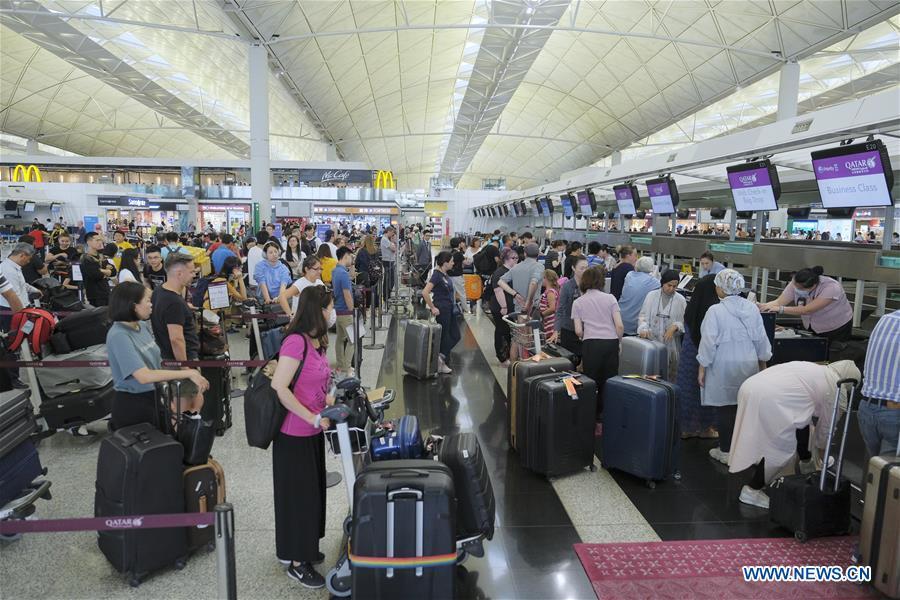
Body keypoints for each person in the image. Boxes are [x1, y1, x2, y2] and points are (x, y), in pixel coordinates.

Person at [270, 285, 335, 588]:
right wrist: (310, 415)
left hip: (313, 430)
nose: (331, 313)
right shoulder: (295, 342)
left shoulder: (316, 341)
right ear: (317, 311)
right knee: (298, 499)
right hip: (294, 433)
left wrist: (330, 400)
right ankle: (297, 563)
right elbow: (280, 387)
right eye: (329, 308)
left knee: (311, 495)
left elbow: (319, 379)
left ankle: (300, 549)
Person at [728, 360, 860, 509]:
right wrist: (821, 459)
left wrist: (811, 459)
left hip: (750, 387)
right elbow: (826, 430)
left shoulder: (817, 370)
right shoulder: (837, 388)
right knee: (779, 449)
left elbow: (802, 418)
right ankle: (751, 491)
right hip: (770, 397)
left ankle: (806, 462)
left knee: (801, 420)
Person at [106, 281, 208, 431]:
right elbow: (143, 376)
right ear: (133, 305)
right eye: (147, 300)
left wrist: (167, 398)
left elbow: (157, 363)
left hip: (155, 397)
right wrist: (189, 372)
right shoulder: (119, 335)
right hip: (134, 406)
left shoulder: (142, 326)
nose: (151, 304)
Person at [697, 269, 772, 465]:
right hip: (748, 363)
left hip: (723, 365)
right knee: (746, 407)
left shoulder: (715, 311)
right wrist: (763, 361)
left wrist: (702, 366)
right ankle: (748, 451)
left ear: (721, 288)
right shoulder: (751, 308)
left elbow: (708, 342)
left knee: (725, 408)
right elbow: (761, 339)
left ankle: (726, 451)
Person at [571, 265, 624, 424]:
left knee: (591, 381)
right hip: (610, 343)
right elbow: (620, 326)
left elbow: (578, 331)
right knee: (609, 381)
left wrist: (586, 335)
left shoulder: (578, 302)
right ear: (601, 282)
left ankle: (591, 417)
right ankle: (607, 416)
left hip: (591, 344)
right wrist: (618, 341)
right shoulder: (610, 298)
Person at [758, 266, 853, 343]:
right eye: (794, 285)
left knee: (834, 356)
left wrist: (781, 309)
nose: (795, 289)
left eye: (800, 288)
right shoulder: (797, 282)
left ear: (813, 286)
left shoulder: (831, 287)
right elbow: (779, 302)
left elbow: (807, 310)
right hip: (812, 325)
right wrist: (762, 306)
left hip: (836, 327)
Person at [677, 274, 719, 439]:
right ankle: (705, 428)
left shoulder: (693, 307)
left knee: (688, 391)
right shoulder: (714, 310)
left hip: (689, 353)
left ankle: (685, 428)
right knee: (705, 391)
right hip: (706, 357)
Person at [857, 310, 900, 460]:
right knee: (889, 477)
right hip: (894, 412)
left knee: (877, 473)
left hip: (866, 408)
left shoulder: (886, 319)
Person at [150, 253, 200, 363]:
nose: (194, 275)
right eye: (191, 272)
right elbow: (176, 339)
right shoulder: (174, 302)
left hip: (165, 355)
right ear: (179, 274)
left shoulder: (159, 291)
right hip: (181, 360)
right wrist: (185, 367)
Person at [637, 269, 687, 379]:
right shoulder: (651, 296)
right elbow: (643, 316)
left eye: (675, 286)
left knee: (669, 376)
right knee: (650, 373)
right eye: (669, 285)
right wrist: (643, 328)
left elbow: (684, 323)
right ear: (662, 283)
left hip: (671, 345)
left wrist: (676, 326)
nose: (672, 289)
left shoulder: (680, 300)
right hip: (651, 341)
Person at [422, 251, 459, 374]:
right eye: (451, 261)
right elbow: (425, 292)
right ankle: (440, 362)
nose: (453, 263)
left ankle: (440, 358)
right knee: (446, 337)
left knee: (455, 335)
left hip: (450, 309)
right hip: (442, 310)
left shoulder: (445, 274)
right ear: (445, 263)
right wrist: (432, 307)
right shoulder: (437, 275)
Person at [550, 255, 587, 359]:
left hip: (587, 331)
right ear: (573, 268)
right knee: (570, 362)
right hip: (569, 330)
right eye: (582, 268)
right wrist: (556, 330)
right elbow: (560, 309)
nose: (585, 271)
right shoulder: (567, 286)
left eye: (586, 268)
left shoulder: (591, 285)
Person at [497, 243, 545, 318]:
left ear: (525, 254)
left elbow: (500, 282)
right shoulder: (539, 266)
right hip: (533, 306)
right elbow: (533, 283)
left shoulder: (517, 267)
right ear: (538, 254)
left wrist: (515, 294)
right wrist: (528, 302)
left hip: (519, 305)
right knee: (531, 327)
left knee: (520, 327)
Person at [489, 248, 518, 366]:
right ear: (506, 259)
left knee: (507, 331)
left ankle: (507, 355)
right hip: (500, 307)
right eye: (513, 258)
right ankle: (501, 357)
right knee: (501, 331)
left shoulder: (512, 271)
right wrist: (504, 307)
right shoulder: (500, 272)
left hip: (510, 306)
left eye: (517, 258)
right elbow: (498, 290)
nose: (516, 260)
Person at [618, 256, 660, 336]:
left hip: (620, 317)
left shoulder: (629, 275)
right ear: (651, 268)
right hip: (635, 323)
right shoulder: (654, 282)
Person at [332, 247, 355, 379]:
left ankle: (340, 365)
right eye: (351, 257)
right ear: (345, 256)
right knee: (353, 339)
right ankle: (346, 367)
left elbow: (351, 276)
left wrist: (352, 265)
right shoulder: (343, 274)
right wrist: (351, 310)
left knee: (340, 339)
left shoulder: (336, 271)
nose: (351, 259)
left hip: (338, 310)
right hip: (346, 311)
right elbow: (347, 294)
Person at [81, 232, 114, 307]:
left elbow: (114, 271)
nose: (100, 242)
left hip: (106, 292)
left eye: (100, 240)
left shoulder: (101, 256)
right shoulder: (86, 258)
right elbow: (96, 275)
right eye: (97, 240)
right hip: (95, 295)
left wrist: (102, 270)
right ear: (89, 242)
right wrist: (106, 272)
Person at [447, 237, 467, 313]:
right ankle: (466, 309)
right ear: (458, 244)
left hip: (450, 275)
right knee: (462, 293)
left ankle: (453, 307)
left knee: (452, 292)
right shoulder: (458, 253)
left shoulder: (450, 252)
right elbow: (466, 263)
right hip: (457, 276)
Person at [539, 269, 560, 341]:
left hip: (550, 322)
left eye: (542, 278)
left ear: (546, 278)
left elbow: (552, 308)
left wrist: (541, 315)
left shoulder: (550, 292)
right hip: (546, 321)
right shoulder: (548, 291)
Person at [380, 227, 397, 300]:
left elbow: (394, 248)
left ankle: (388, 294)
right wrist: (393, 242)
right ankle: (386, 296)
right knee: (388, 280)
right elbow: (393, 249)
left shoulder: (387, 240)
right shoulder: (384, 239)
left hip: (390, 261)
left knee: (391, 279)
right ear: (388, 231)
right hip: (387, 261)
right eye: (392, 232)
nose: (393, 234)